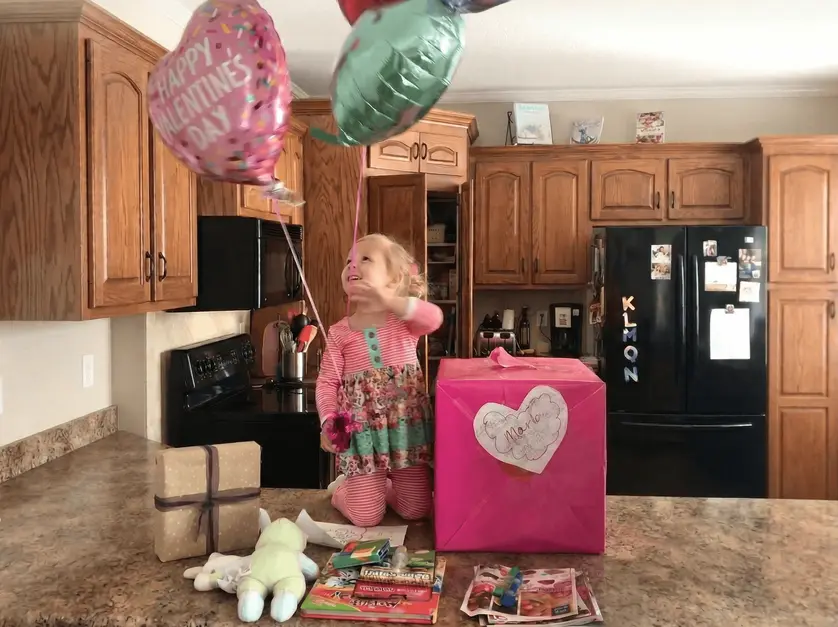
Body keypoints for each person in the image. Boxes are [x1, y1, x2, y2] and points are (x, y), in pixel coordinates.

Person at [316, 233, 443, 527]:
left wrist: (389, 300)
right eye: (348, 260)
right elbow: (326, 384)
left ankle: (382, 490)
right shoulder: (340, 332)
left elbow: (434, 318)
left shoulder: (405, 322)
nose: (352, 265)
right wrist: (328, 421)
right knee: (366, 517)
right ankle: (344, 491)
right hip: (361, 436)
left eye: (365, 259)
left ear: (394, 277)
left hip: (405, 433)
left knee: (417, 508)